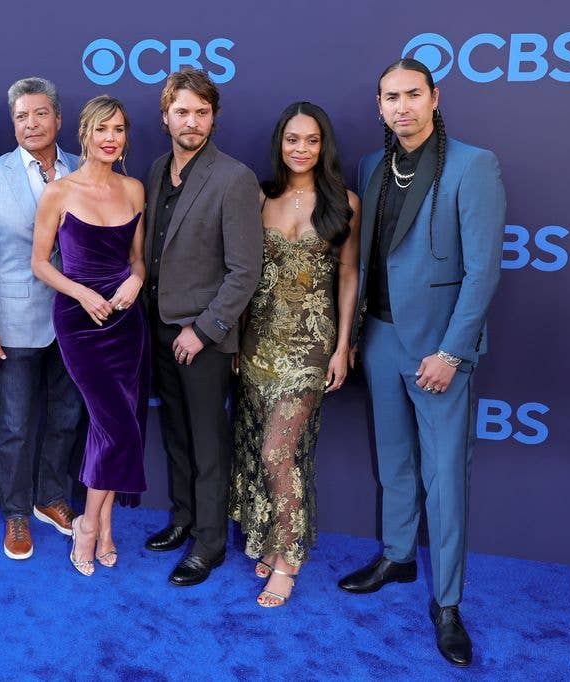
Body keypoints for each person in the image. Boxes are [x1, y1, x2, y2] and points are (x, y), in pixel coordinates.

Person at [337, 58, 506, 667]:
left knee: (445, 477)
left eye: (412, 94)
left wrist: (453, 352)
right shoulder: (371, 168)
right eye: (390, 97)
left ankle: (449, 605)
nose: (401, 106)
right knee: (395, 460)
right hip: (379, 339)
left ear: (434, 98)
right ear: (379, 104)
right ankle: (397, 556)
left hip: (438, 349)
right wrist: (354, 336)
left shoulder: (473, 165)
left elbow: (484, 270)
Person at [229, 102, 360, 607]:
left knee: (277, 452)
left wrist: (343, 344)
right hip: (258, 339)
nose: (300, 149)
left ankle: (288, 559)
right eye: (292, 139)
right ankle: (269, 536)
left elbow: (348, 274)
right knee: (259, 445)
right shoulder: (260, 196)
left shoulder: (345, 200)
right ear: (279, 144)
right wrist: (237, 338)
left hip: (310, 344)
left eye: (310, 140)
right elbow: (243, 272)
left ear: (323, 145)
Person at [143, 70, 263, 586]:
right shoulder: (153, 170)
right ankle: (184, 517)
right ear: (165, 116)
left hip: (203, 337)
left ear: (213, 117)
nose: (192, 123)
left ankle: (210, 541)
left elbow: (245, 270)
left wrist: (207, 329)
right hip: (157, 329)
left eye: (202, 113)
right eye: (182, 112)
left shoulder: (233, 178)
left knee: (209, 440)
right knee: (174, 432)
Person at [0, 77, 84, 560]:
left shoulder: (83, 167)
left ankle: (50, 498)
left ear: (57, 118)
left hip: (75, 323)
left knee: (67, 416)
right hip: (14, 322)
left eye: (39, 114)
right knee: (14, 423)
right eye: (20, 117)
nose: (30, 124)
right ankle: (15, 512)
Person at [31, 95, 149, 576]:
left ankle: (96, 522)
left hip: (125, 320)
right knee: (114, 425)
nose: (110, 138)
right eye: (102, 129)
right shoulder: (58, 191)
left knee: (115, 426)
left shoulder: (135, 189)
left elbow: (137, 258)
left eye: (118, 129)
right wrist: (82, 294)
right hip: (82, 321)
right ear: (84, 134)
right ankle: (92, 524)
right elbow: (40, 263)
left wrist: (136, 279)